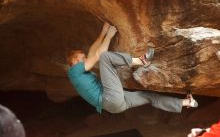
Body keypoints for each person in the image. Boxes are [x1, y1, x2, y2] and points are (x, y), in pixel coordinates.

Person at [67, 22, 198, 114]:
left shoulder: (79, 74)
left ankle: (187, 103)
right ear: (74, 61)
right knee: (105, 57)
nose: (85, 59)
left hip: (115, 106)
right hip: (109, 98)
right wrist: (109, 35)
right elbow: (97, 55)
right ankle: (141, 60)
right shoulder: (73, 71)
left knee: (148, 96)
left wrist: (103, 32)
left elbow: (91, 53)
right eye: (82, 58)